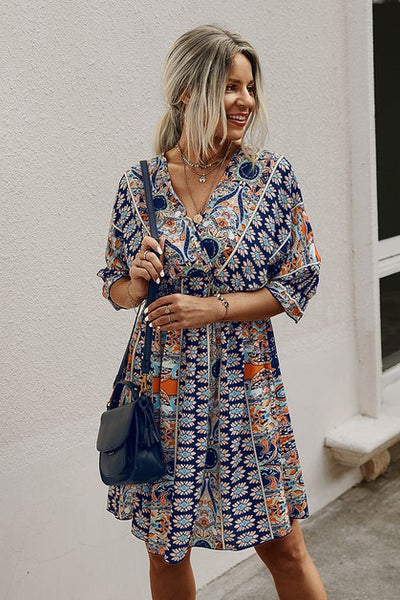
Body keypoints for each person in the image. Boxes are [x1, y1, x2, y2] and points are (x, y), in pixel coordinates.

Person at [97, 24, 326, 600]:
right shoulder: (139, 184)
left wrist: (214, 308)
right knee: (166, 551)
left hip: (246, 388)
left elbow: (298, 280)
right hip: (162, 392)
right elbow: (114, 289)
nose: (246, 100)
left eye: (249, 87)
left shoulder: (270, 178)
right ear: (187, 93)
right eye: (230, 87)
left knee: (284, 547)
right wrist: (134, 282)